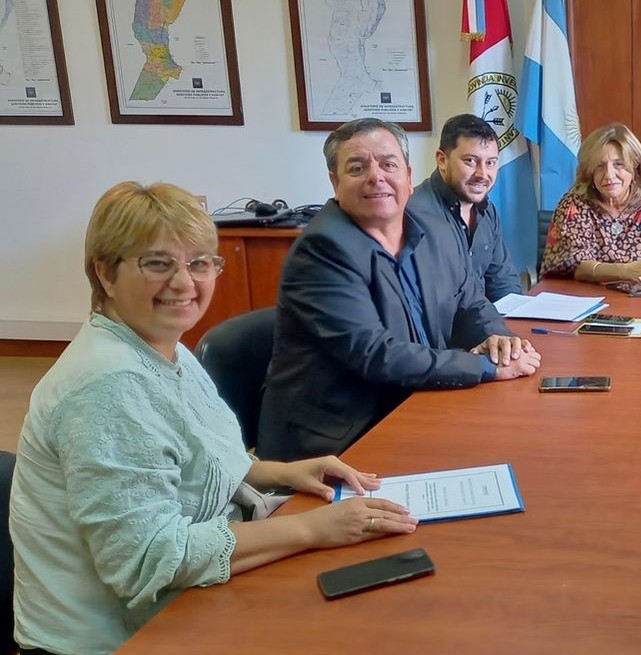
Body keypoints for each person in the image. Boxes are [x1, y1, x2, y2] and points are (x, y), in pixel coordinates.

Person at [9, 182, 418, 655]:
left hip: (183, 596)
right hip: (122, 636)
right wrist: (315, 529)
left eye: (200, 262)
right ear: (105, 274)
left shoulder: (160, 348)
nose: (185, 283)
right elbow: (148, 560)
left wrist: (283, 472)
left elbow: (195, 459)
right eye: (157, 263)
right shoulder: (108, 385)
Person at [258, 118, 542, 461]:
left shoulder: (427, 229)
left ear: (407, 175)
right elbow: (376, 353)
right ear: (335, 181)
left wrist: (499, 339)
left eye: (388, 164)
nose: (376, 176)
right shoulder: (322, 250)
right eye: (357, 167)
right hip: (340, 438)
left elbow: (468, 297)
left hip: (411, 405)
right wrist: (483, 367)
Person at [539, 123, 641, 285]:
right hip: (590, 299)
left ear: (635, 165)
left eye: (618, 164)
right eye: (600, 166)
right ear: (590, 171)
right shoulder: (575, 204)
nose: (609, 175)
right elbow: (575, 266)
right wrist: (626, 271)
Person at [406, 113, 522, 302]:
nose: (482, 174)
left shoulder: (488, 211)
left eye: (490, 163)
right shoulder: (414, 214)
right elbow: (432, 301)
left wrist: (514, 324)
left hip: (485, 323)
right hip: (448, 329)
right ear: (442, 160)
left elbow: (502, 282)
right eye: (470, 161)